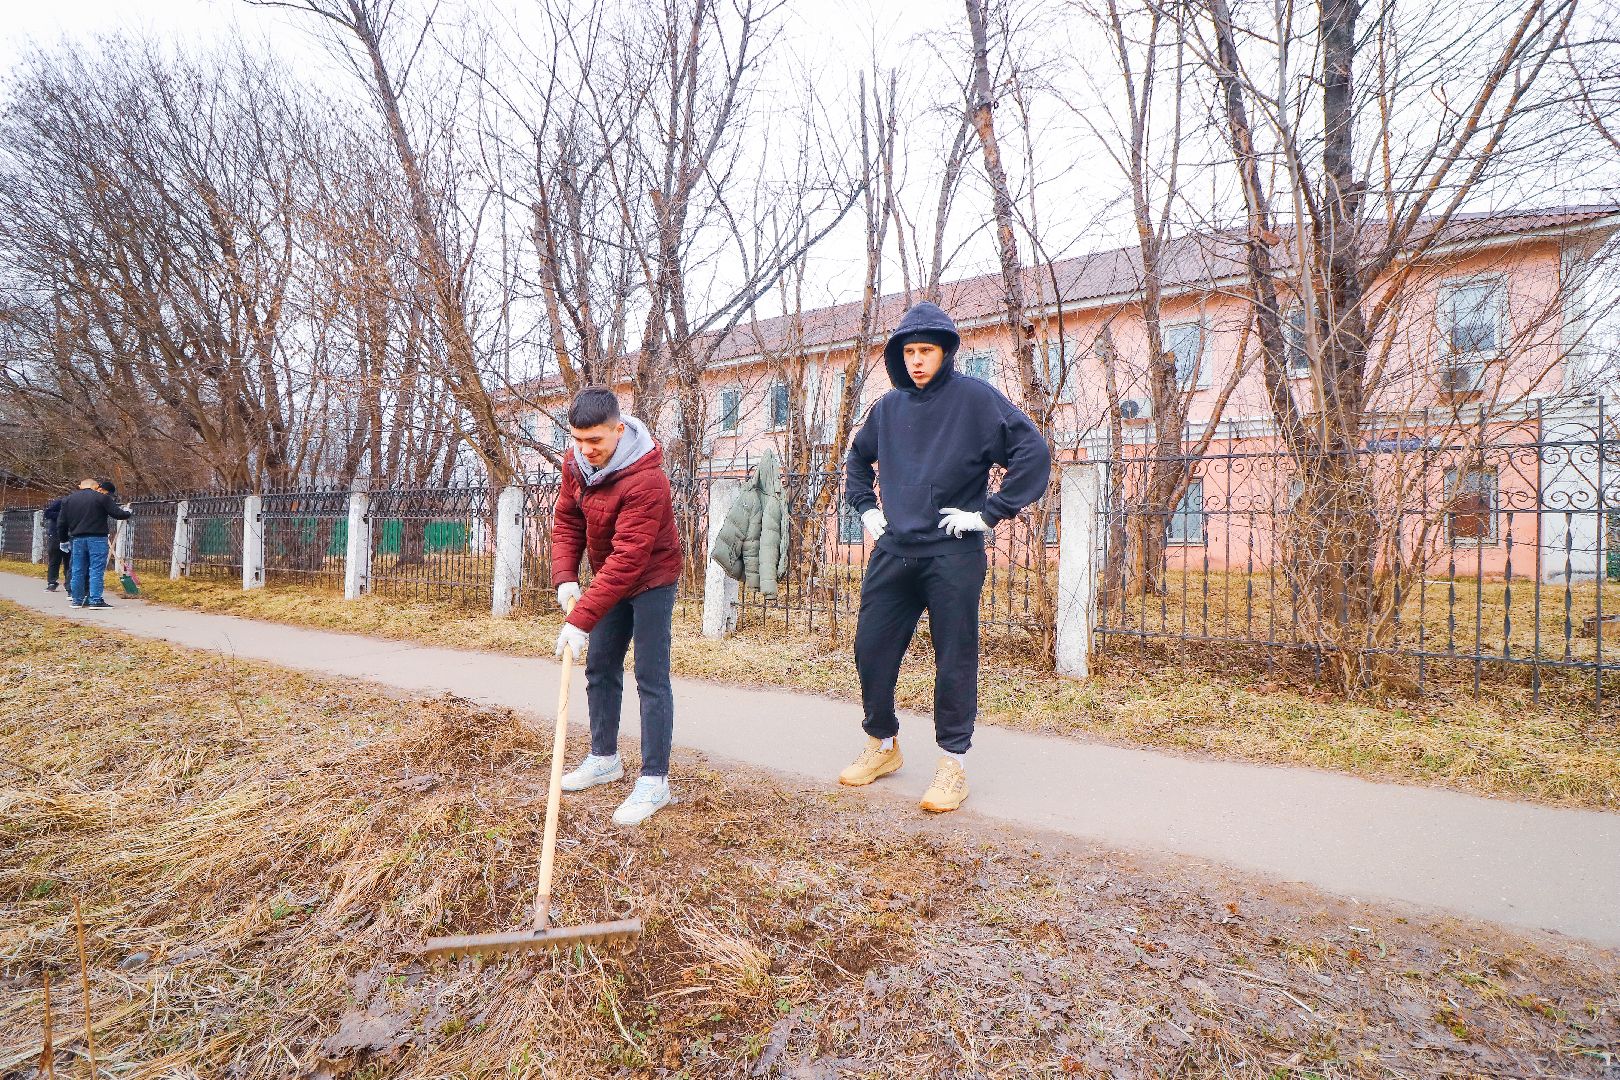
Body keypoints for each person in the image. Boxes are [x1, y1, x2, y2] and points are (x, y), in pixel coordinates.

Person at [841, 301, 1052, 812]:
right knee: (871, 647)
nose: (916, 361)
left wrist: (989, 513)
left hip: (951, 554)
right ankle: (883, 744)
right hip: (894, 551)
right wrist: (867, 508)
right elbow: (856, 458)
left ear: (945, 353)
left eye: (926, 351)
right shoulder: (888, 409)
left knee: (954, 657)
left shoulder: (976, 402)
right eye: (909, 352)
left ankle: (952, 764)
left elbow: (1033, 453)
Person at [550, 388, 683, 826]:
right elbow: (567, 519)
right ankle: (604, 757)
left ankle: (654, 781)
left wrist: (580, 618)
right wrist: (566, 577)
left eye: (596, 442)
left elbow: (630, 558)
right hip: (611, 575)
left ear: (619, 431)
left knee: (651, 677)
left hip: (652, 578)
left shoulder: (646, 479)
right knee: (600, 667)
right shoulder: (576, 463)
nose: (586, 451)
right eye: (578, 440)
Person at [56, 478, 132, 609]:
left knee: (77, 570)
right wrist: (127, 512)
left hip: (77, 539)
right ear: (96, 486)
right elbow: (117, 514)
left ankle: (76, 600)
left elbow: (61, 523)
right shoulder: (102, 498)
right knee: (96, 569)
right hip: (97, 538)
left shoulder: (68, 500)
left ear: (81, 486)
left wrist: (63, 540)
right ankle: (95, 600)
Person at [41, 489, 71, 593]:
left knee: (69, 561)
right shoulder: (60, 502)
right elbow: (48, 513)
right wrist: (62, 516)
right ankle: (52, 582)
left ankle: (69, 584)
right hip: (56, 535)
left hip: (70, 535)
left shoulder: (76, 505)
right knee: (54, 560)